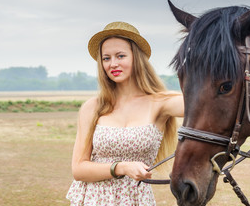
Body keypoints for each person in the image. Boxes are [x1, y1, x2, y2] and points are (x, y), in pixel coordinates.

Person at [66, 21, 184, 205]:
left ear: (136, 57)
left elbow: (207, 104)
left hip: (137, 200)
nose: (113, 64)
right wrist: (121, 168)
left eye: (120, 56)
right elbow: (79, 169)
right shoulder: (93, 107)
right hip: (94, 200)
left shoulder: (160, 102)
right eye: (106, 58)